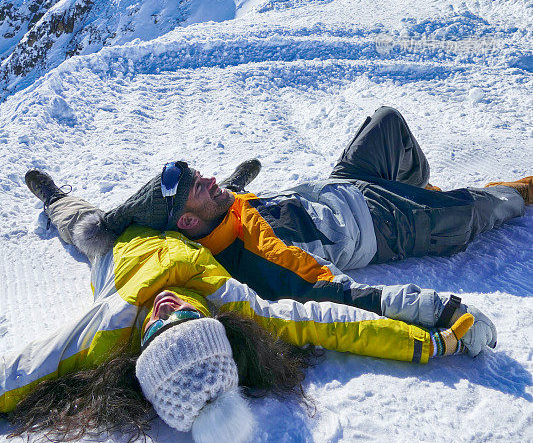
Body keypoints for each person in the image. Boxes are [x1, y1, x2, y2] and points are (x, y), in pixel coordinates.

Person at [2, 192, 484, 443]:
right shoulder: (235, 306)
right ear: (213, 324)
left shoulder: (107, 328)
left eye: (156, 331)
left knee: (84, 223)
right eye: (186, 321)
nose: (167, 310)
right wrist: (433, 343)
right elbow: (332, 322)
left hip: (115, 249)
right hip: (180, 234)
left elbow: (21, 372)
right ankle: (235, 189)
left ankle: (54, 197)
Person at [28, 106, 530, 323]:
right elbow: (331, 292)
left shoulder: (218, 210)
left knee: (387, 123)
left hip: (342, 183)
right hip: (384, 224)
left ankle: (423, 190)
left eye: (200, 174)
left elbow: (89, 225)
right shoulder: (255, 255)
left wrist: (55, 200)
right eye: (195, 189)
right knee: (478, 210)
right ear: (185, 223)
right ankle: (506, 196)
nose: (206, 179)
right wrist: (424, 312)